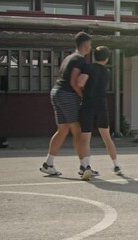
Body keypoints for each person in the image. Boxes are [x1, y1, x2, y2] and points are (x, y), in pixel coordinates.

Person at [40, 32, 93, 180]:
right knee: (78, 131)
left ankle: (48, 164)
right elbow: (73, 82)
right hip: (67, 94)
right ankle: (84, 167)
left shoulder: (69, 57)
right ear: (85, 45)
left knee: (62, 130)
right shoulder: (79, 59)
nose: (91, 47)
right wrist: (82, 95)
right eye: (90, 44)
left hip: (56, 92)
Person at [77, 46, 122, 176]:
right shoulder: (106, 72)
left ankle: (86, 166)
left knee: (85, 138)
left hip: (88, 105)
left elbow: (80, 82)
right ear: (107, 58)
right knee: (107, 137)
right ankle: (116, 165)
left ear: (94, 56)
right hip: (102, 105)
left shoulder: (88, 67)